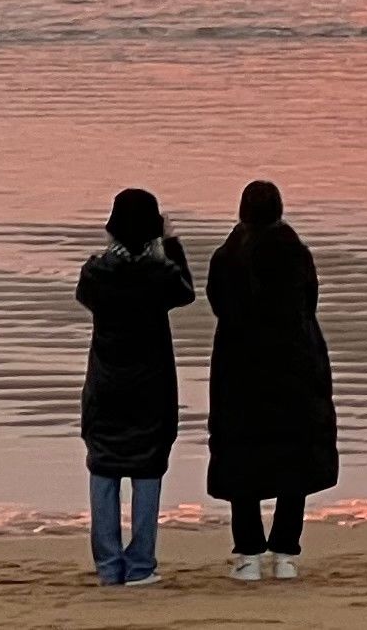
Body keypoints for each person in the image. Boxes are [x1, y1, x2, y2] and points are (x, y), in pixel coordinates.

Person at [206, 177, 339, 581]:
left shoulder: (226, 257)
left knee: (242, 456)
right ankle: (285, 552)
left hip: (239, 368)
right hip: (293, 366)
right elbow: (309, 304)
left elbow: (218, 305)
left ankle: (248, 554)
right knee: (293, 455)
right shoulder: (296, 255)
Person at [75, 187, 193, 586]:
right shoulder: (161, 276)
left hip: (106, 385)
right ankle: (141, 564)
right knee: (148, 468)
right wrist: (172, 244)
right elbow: (186, 293)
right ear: (154, 229)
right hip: (151, 386)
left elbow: (84, 295)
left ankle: (109, 567)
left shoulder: (95, 273)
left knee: (103, 467)